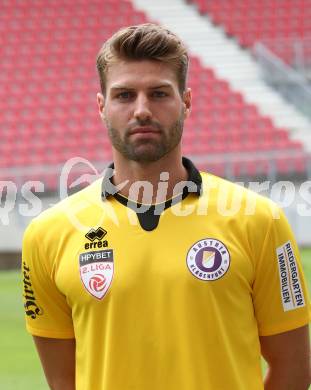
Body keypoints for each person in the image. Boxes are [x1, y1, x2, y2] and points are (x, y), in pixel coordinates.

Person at [22, 23, 310, 390]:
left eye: (159, 94)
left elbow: (294, 372)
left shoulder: (260, 220)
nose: (142, 109)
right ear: (102, 106)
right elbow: (64, 382)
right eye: (124, 96)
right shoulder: (48, 235)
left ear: (186, 102)